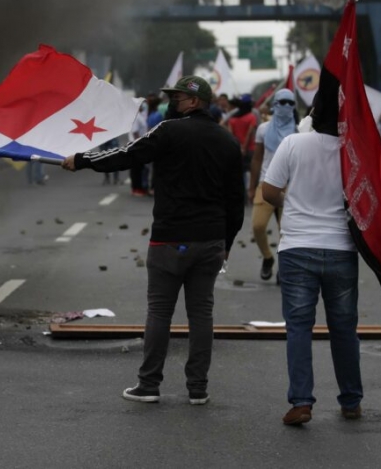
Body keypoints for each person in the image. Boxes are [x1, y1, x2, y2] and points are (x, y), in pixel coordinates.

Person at [61, 76, 245, 406]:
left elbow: (127, 156)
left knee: (160, 313)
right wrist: (226, 241)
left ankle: (149, 385)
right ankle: (198, 388)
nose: (171, 102)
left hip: (169, 239)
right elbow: (236, 200)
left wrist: (83, 159)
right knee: (201, 314)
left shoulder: (168, 132)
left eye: (177, 97)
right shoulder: (227, 142)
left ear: (193, 101)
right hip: (211, 240)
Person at [262, 79, 362, 426]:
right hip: (341, 249)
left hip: (297, 248)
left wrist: (289, 202)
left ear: (313, 111)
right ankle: (351, 400)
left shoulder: (292, 144)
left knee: (299, 328)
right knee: (344, 328)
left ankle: (301, 402)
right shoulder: (352, 151)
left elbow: (269, 189)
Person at [248, 89, 297, 281]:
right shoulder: (263, 129)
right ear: (274, 104)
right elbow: (257, 158)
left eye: (289, 103)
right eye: (282, 102)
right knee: (258, 226)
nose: (285, 106)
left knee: (286, 232)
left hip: (290, 187)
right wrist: (251, 187)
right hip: (266, 183)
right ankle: (267, 258)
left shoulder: (299, 130)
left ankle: (282, 268)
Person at [228, 94, 258, 190]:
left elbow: (231, 135)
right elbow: (249, 134)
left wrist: (239, 147)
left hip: (236, 149)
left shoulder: (232, 119)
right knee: (251, 172)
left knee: (239, 173)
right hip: (250, 149)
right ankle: (251, 191)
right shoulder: (251, 117)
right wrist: (244, 148)